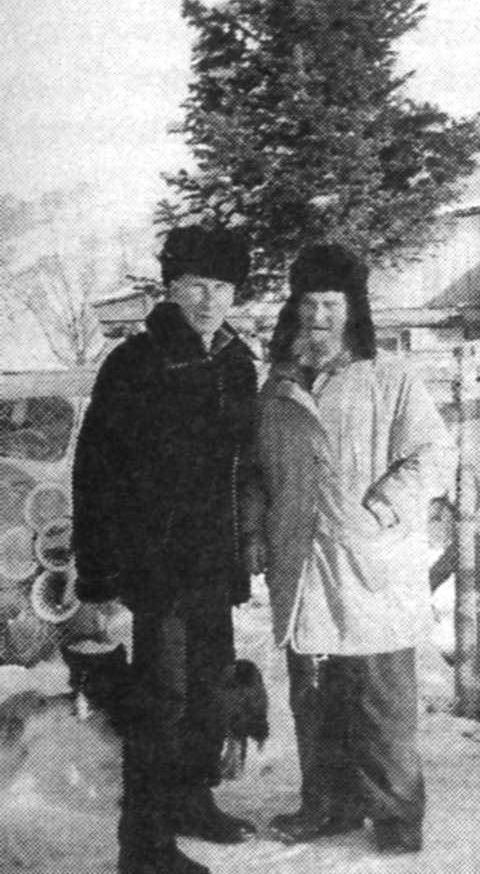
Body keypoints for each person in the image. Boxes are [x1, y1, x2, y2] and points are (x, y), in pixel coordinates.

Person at [72, 225, 261, 874]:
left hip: (215, 562)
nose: (209, 300)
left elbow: (246, 465)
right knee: (162, 700)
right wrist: (98, 574)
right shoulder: (135, 363)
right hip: (157, 566)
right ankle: (144, 845)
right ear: (172, 288)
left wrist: (248, 541)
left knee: (210, 691)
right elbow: (95, 469)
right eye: (196, 285)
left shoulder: (237, 362)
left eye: (222, 287)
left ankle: (191, 801)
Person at [255, 244, 456, 854]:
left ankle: (397, 816)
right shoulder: (278, 386)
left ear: (352, 310)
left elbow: (434, 454)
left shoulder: (388, 376)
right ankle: (328, 806)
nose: (318, 316)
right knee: (315, 697)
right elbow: (257, 472)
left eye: (331, 304)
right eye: (308, 303)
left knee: (380, 700)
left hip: (371, 562)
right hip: (302, 560)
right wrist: (257, 530)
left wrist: (383, 506)